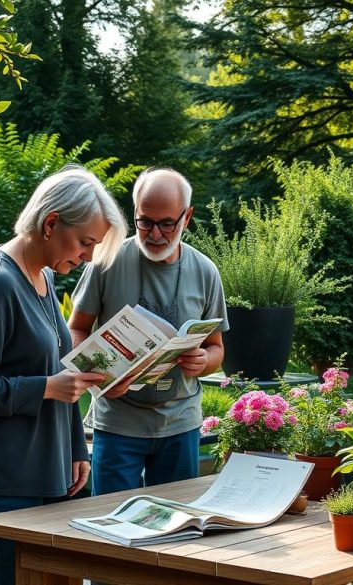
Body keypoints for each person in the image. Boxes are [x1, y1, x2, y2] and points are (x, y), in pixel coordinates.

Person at [0, 165, 127, 585]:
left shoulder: (41, 276)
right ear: (51, 222)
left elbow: (63, 372)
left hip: (48, 469)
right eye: (84, 242)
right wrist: (45, 388)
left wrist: (77, 447)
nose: (88, 256)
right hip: (5, 479)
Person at [68, 167, 228, 495]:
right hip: (117, 424)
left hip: (180, 424)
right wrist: (100, 379)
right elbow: (76, 330)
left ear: (187, 217)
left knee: (173, 525)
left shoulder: (205, 271)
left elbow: (217, 348)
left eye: (166, 223)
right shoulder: (107, 261)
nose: (154, 234)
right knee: (109, 523)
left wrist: (203, 361)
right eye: (145, 221)